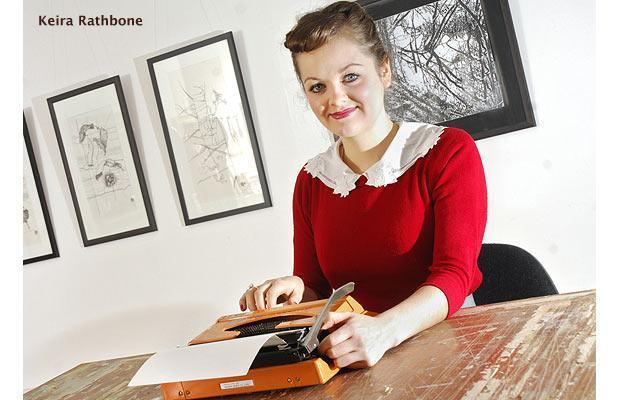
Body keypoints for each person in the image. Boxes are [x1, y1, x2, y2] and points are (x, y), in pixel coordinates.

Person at [239, 1, 487, 369]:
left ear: (384, 70)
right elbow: (317, 288)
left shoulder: (447, 151)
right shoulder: (312, 180)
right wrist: (296, 290)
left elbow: (455, 275)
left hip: (451, 344)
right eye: (317, 87)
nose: (335, 99)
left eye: (351, 77)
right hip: (356, 353)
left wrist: (383, 331)